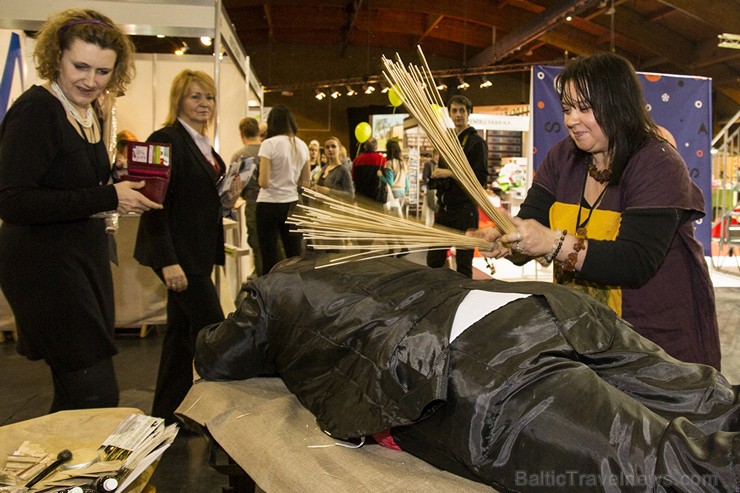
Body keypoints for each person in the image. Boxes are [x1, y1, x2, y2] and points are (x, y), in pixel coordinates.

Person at [195, 256, 739, 493]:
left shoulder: (270, 290)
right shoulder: (351, 261)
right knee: (712, 397)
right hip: (550, 309)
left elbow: (220, 356)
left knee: (666, 467)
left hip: (478, 364)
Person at [474, 52, 721, 370]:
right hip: (586, 335)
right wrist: (508, 237)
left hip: (656, 346)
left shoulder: (656, 162)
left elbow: (635, 262)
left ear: (618, 105)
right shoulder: (563, 157)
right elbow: (531, 221)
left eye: (584, 108)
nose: (571, 120)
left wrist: (552, 242)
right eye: (566, 109)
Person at [0, 9, 161, 412]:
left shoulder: (89, 113)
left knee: (81, 394)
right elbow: (12, 200)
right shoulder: (37, 110)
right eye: (81, 66)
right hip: (46, 269)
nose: (90, 80)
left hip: (78, 261)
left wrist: (114, 181)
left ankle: (59, 472)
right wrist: (109, 197)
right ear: (56, 58)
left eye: (103, 71)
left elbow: (68, 183)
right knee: (94, 393)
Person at [134, 69, 227, 423]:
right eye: (195, 96)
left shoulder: (203, 143)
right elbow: (152, 206)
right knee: (215, 331)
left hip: (198, 253)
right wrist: (167, 261)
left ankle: (165, 417)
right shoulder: (163, 139)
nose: (204, 104)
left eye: (209, 97)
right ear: (179, 100)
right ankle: (221, 417)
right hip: (180, 257)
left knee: (181, 338)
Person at [426, 95, 488, 277]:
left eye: (462, 110)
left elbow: (480, 179)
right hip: (445, 210)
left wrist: (451, 173)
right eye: (454, 110)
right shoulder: (449, 142)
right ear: (449, 114)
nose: (458, 114)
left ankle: (462, 301)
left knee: (463, 264)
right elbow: (443, 174)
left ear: (469, 113)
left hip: (465, 211)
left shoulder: (477, 143)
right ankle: (442, 295)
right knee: (434, 260)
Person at [256, 104, 310, 275]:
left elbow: (263, 182)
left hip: (268, 204)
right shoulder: (302, 146)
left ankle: (268, 296)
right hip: (292, 204)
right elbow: (305, 183)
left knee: (269, 255)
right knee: (294, 255)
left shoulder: (268, 144)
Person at [231, 117, 264, 278]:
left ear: (242, 134)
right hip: (272, 203)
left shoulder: (240, 156)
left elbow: (233, 185)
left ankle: (261, 278)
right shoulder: (268, 150)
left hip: (252, 202)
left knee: (256, 243)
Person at [311, 136, 354, 201]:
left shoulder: (343, 170)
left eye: (333, 146)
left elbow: (351, 195)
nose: (330, 149)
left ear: (339, 150)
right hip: (320, 207)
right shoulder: (324, 168)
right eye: (327, 147)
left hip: (334, 209)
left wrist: (329, 191)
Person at [351, 137, 386, 202]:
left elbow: (353, 177)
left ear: (365, 147)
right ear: (376, 147)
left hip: (361, 196)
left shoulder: (357, 160)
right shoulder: (382, 160)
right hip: (377, 197)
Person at [379, 139, 408, 203]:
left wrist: (381, 176)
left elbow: (390, 183)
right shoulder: (403, 163)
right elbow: (407, 183)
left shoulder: (389, 163)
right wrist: (404, 192)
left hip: (393, 193)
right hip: (402, 192)